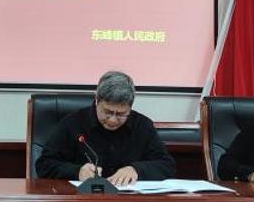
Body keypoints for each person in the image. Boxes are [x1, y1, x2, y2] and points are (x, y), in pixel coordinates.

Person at [35, 70, 176, 186]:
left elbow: (167, 166)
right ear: (97, 100)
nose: (113, 120)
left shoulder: (142, 126)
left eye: (121, 114)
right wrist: (77, 172)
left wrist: (136, 170)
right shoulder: (72, 124)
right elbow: (44, 165)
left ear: (130, 107)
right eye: (107, 112)